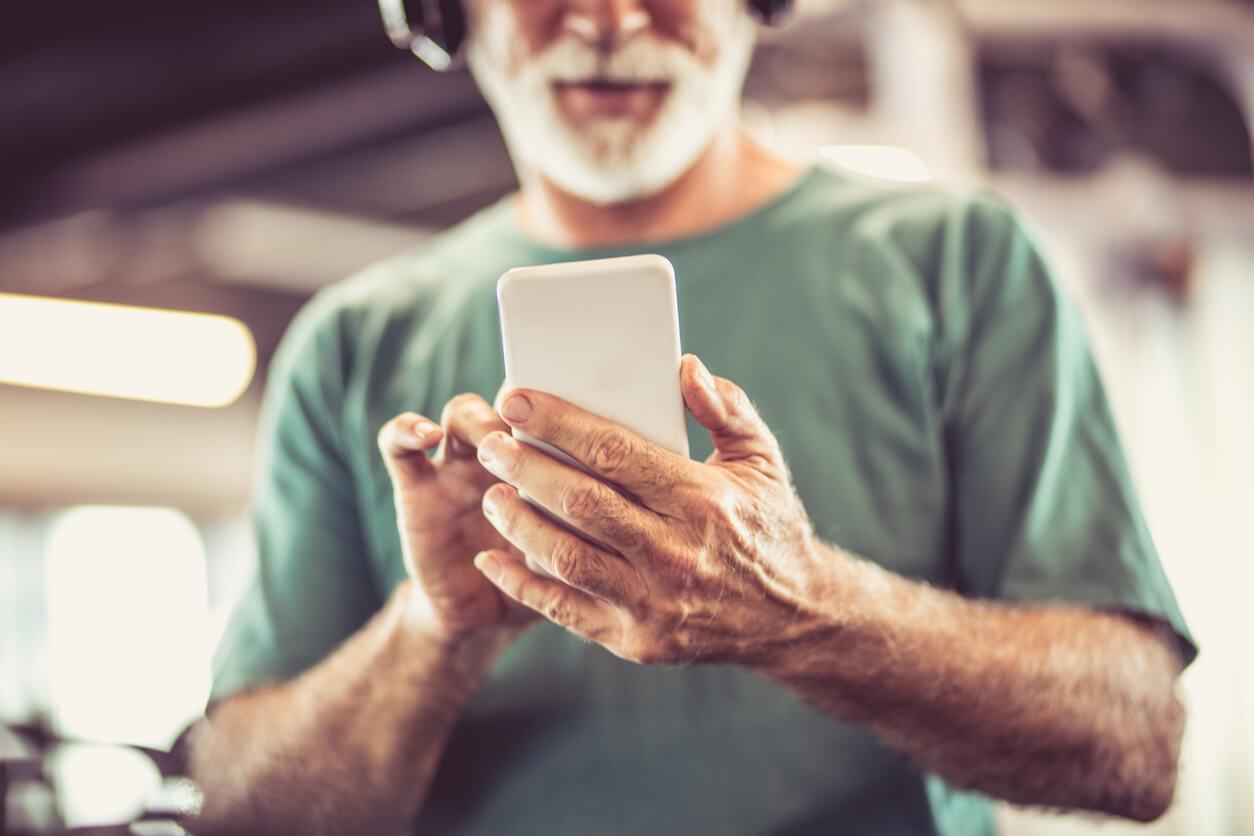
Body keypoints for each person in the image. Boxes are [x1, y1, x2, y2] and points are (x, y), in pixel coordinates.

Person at [184, 0, 1197, 833]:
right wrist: (431, 629)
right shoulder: (352, 342)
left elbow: (1135, 738)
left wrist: (801, 609)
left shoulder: (956, 262)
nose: (613, 19)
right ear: (445, 14)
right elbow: (240, 811)